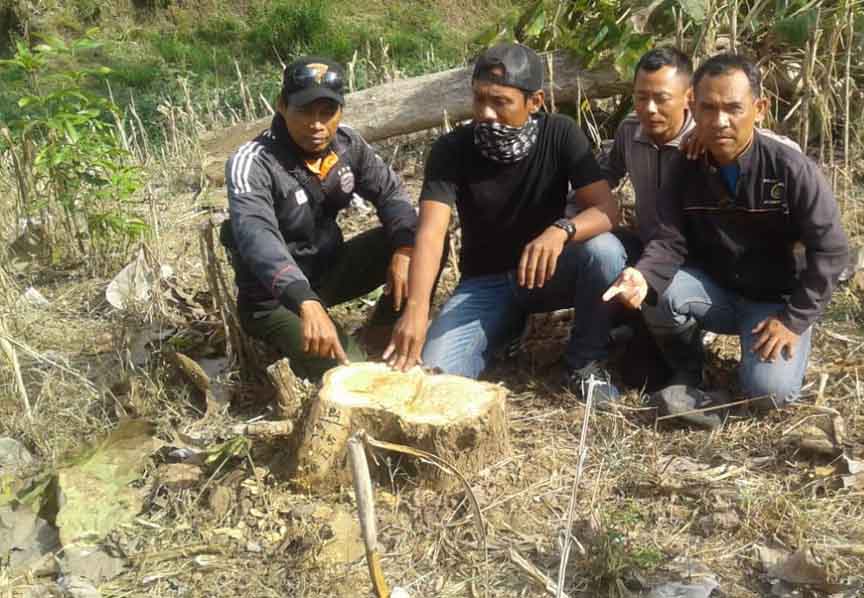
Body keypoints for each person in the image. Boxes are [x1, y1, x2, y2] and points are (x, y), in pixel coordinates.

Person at [605, 53, 850, 428]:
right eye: (708, 108)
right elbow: (669, 240)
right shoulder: (686, 165)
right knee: (659, 291)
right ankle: (689, 372)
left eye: (733, 108)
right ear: (693, 107)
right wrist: (642, 275)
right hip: (716, 289)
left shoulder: (791, 169)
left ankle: (776, 352)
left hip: (773, 301)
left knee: (770, 394)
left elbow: (831, 250)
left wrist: (794, 319)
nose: (720, 121)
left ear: (760, 108)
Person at [385, 42, 627, 407]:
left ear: (535, 102)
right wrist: (417, 309)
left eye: (500, 102)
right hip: (485, 283)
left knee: (604, 250)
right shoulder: (452, 149)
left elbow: (607, 210)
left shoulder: (560, 134)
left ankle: (584, 362)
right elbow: (432, 231)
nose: (486, 113)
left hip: (548, 272)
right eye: (479, 99)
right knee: (435, 377)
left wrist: (561, 231)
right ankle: (503, 330)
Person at [224, 56, 417, 381]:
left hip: (327, 272)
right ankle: (318, 342)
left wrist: (405, 249)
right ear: (282, 106)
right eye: (304, 112)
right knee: (353, 376)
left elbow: (391, 194)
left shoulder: (348, 144)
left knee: (423, 240)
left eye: (327, 113)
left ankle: (380, 333)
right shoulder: (254, 162)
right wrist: (304, 302)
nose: (316, 124)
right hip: (275, 298)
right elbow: (258, 239)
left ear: (340, 111)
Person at [589, 47, 696, 391]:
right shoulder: (629, 130)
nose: (649, 109)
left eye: (661, 98)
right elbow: (605, 174)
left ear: (688, 98)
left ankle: (690, 360)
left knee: (649, 376)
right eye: (640, 97)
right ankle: (623, 328)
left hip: (694, 260)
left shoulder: (704, 143)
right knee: (600, 247)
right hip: (647, 249)